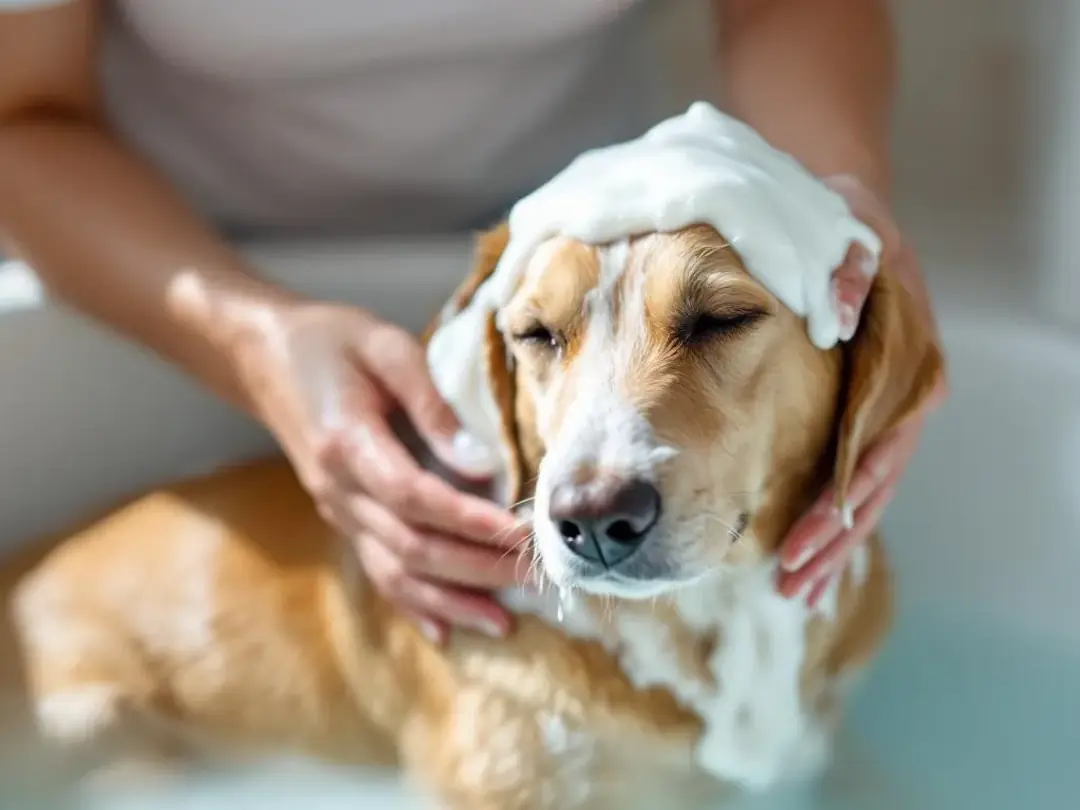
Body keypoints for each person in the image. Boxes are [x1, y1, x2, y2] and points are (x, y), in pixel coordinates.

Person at [0, 0, 946, 644]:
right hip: (172, 276)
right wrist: (255, 346)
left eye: (719, 325)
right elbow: (21, 115)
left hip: (627, 236)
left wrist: (827, 209)